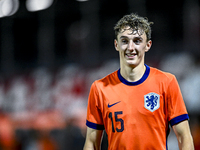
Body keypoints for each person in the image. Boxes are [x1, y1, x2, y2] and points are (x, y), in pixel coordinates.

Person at [83, 13, 194, 150]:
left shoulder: (166, 82)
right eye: (124, 41)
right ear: (116, 44)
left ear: (147, 45)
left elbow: (184, 137)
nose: (130, 47)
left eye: (137, 41)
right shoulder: (99, 88)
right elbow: (91, 142)